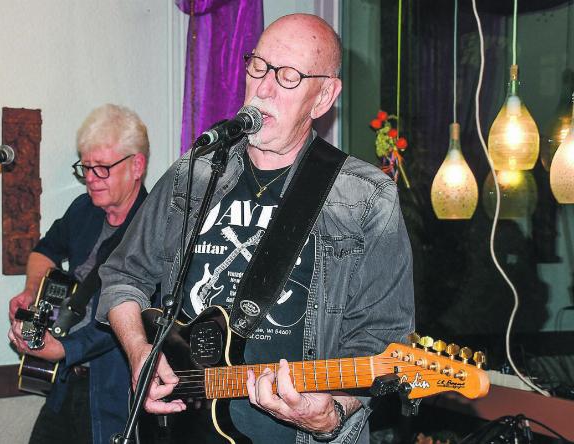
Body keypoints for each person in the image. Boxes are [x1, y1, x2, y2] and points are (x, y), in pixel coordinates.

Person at [95, 13, 414, 444]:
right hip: (182, 428)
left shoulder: (366, 197)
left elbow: (382, 338)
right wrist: (140, 352)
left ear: (323, 98)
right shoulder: (193, 175)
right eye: (258, 67)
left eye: (287, 76)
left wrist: (333, 412)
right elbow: (122, 276)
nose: (263, 88)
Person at [8, 104, 150, 444]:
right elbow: (46, 250)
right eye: (85, 167)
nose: (89, 179)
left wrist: (63, 349)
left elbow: (131, 315)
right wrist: (31, 291)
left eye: (101, 168)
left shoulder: (153, 227)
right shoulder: (83, 210)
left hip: (113, 391)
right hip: (63, 382)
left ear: (136, 166)